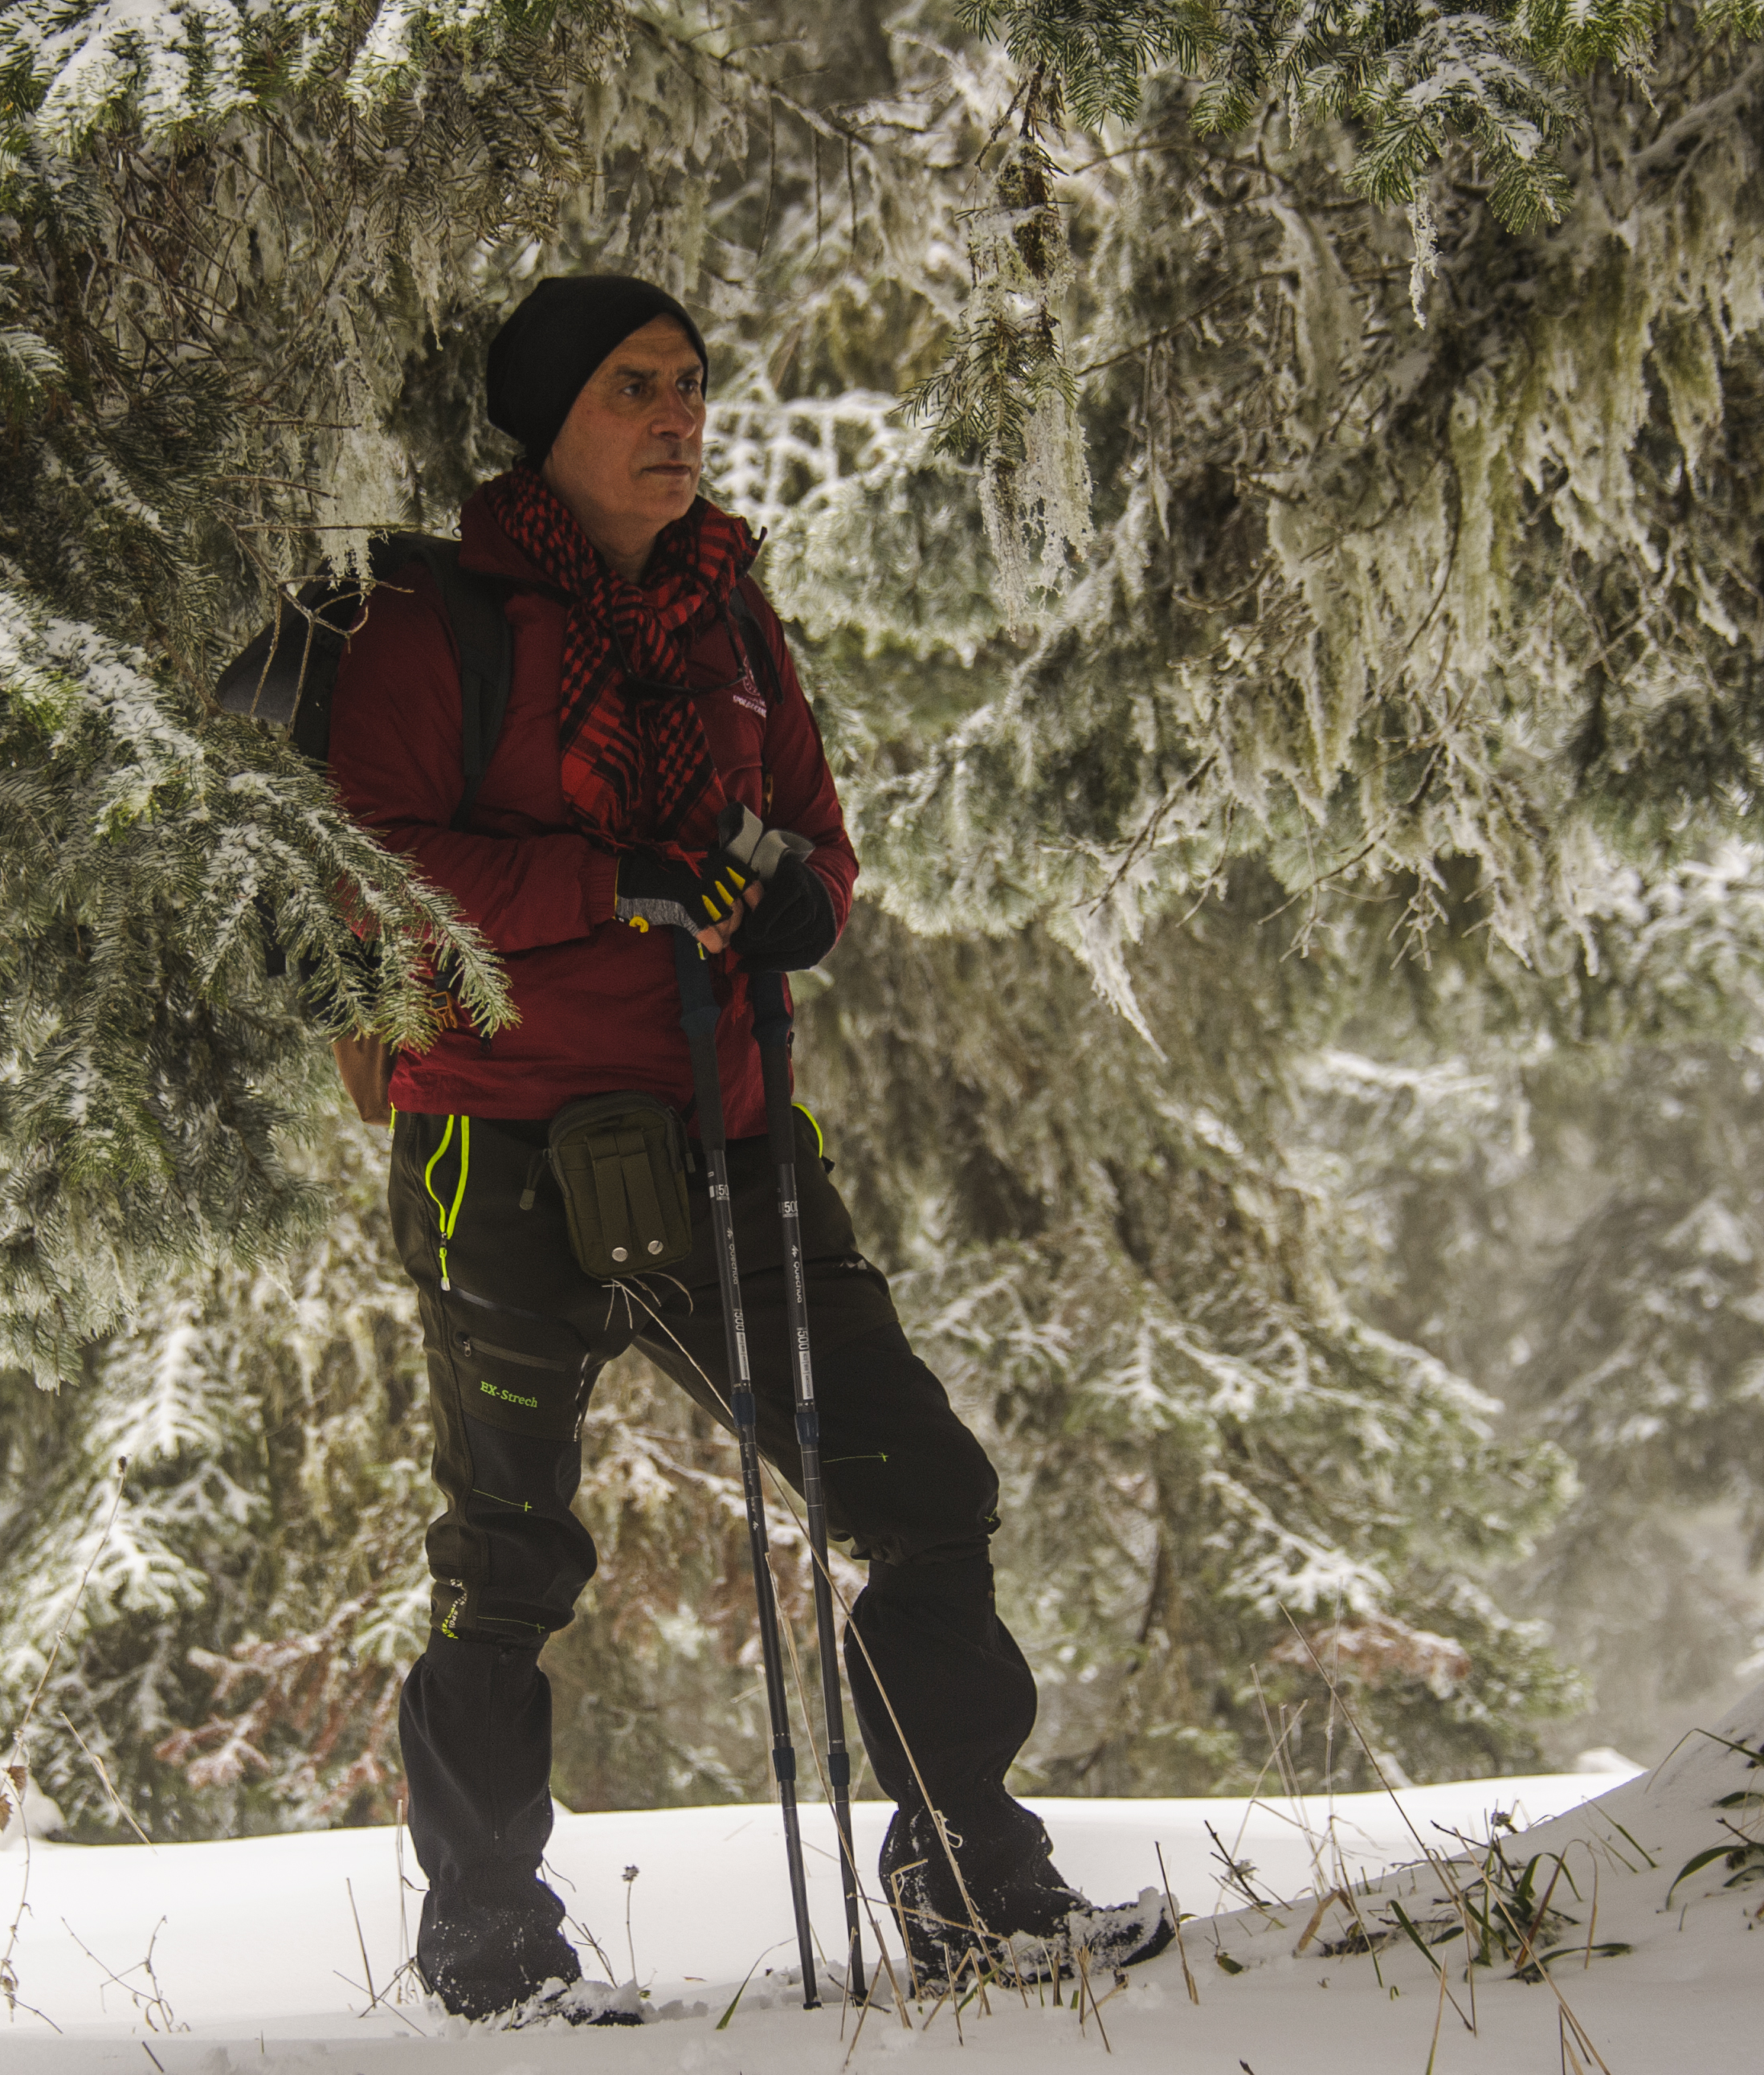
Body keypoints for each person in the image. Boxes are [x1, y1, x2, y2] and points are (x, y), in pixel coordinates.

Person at [321, 274, 1170, 2023]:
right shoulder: (438, 623)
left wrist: (798, 903)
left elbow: (825, 847)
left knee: (923, 1492)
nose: (678, 414)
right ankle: (489, 1942)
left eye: (693, 385)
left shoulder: (733, 618)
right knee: (505, 1557)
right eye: (636, 386)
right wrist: (601, 885)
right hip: (499, 1145)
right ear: (551, 421)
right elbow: (376, 867)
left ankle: (967, 1885)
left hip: (732, 1139)